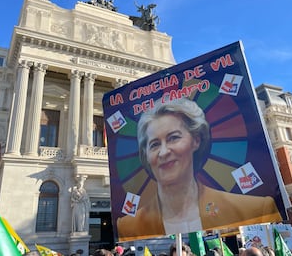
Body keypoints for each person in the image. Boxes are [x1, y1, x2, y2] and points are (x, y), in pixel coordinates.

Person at [117, 97, 281, 239]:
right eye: (154, 144)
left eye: (173, 138)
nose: (164, 152)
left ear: (196, 140)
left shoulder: (256, 210)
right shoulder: (129, 227)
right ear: (145, 154)